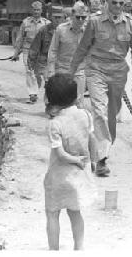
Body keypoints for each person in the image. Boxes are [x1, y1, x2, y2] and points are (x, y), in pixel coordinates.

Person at [69, 0, 132, 177]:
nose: (117, 6)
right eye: (114, 2)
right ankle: (101, 159)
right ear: (107, 2)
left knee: (111, 115)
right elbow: (82, 48)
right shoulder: (94, 22)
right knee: (100, 111)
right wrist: (71, 71)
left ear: (125, 3)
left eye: (121, 3)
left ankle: (101, 148)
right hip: (96, 69)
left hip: (118, 73)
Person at [43, 73, 97, 250]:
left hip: (59, 175)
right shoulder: (85, 115)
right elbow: (92, 140)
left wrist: (75, 160)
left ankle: (53, 250)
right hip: (78, 176)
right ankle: (79, 249)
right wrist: (92, 161)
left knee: (52, 213)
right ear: (75, 95)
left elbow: (60, 154)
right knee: (75, 213)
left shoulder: (55, 123)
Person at [47, 2, 89, 109]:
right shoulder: (61, 29)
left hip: (80, 70)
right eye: (78, 17)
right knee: (61, 101)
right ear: (72, 16)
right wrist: (51, 71)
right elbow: (53, 50)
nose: (80, 20)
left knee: (78, 102)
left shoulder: (89, 31)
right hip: (62, 70)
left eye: (83, 17)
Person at [12, 1, 50, 103]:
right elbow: (20, 38)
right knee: (29, 71)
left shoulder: (47, 23)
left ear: (41, 11)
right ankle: (33, 93)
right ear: (31, 10)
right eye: (34, 10)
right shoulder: (26, 22)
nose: (36, 12)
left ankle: (36, 90)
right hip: (28, 50)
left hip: (41, 52)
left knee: (38, 73)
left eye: (38, 10)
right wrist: (16, 53)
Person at [28, 7, 66, 92]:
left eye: (59, 17)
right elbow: (35, 47)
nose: (57, 20)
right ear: (51, 18)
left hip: (63, 62)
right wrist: (31, 63)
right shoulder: (44, 30)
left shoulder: (68, 30)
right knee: (50, 83)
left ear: (64, 18)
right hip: (45, 62)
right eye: (55, 17)